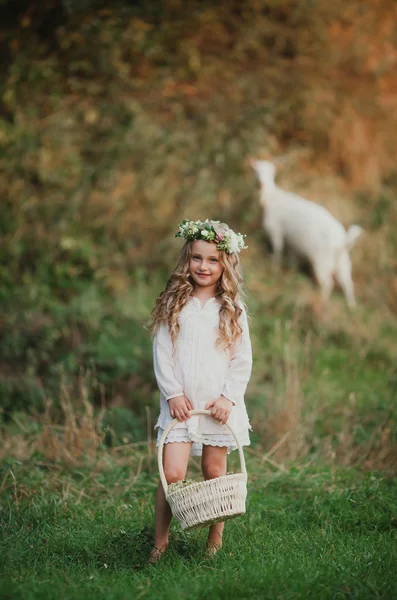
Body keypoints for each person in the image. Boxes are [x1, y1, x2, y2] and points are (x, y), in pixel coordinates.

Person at [149, 219, 252, 562]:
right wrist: (173, 393)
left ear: (225, 264)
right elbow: (162, 351)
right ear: (186, 259)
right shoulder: (174, 303)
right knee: (172, 473)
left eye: (212, 260)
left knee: (214, 471)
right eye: (196, 258)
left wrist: (228, 398)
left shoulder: (232, 309)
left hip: (216, 404)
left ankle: (214, 542)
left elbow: (242, 359)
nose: (203, 266)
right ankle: (159, 543)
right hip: (181, 402)